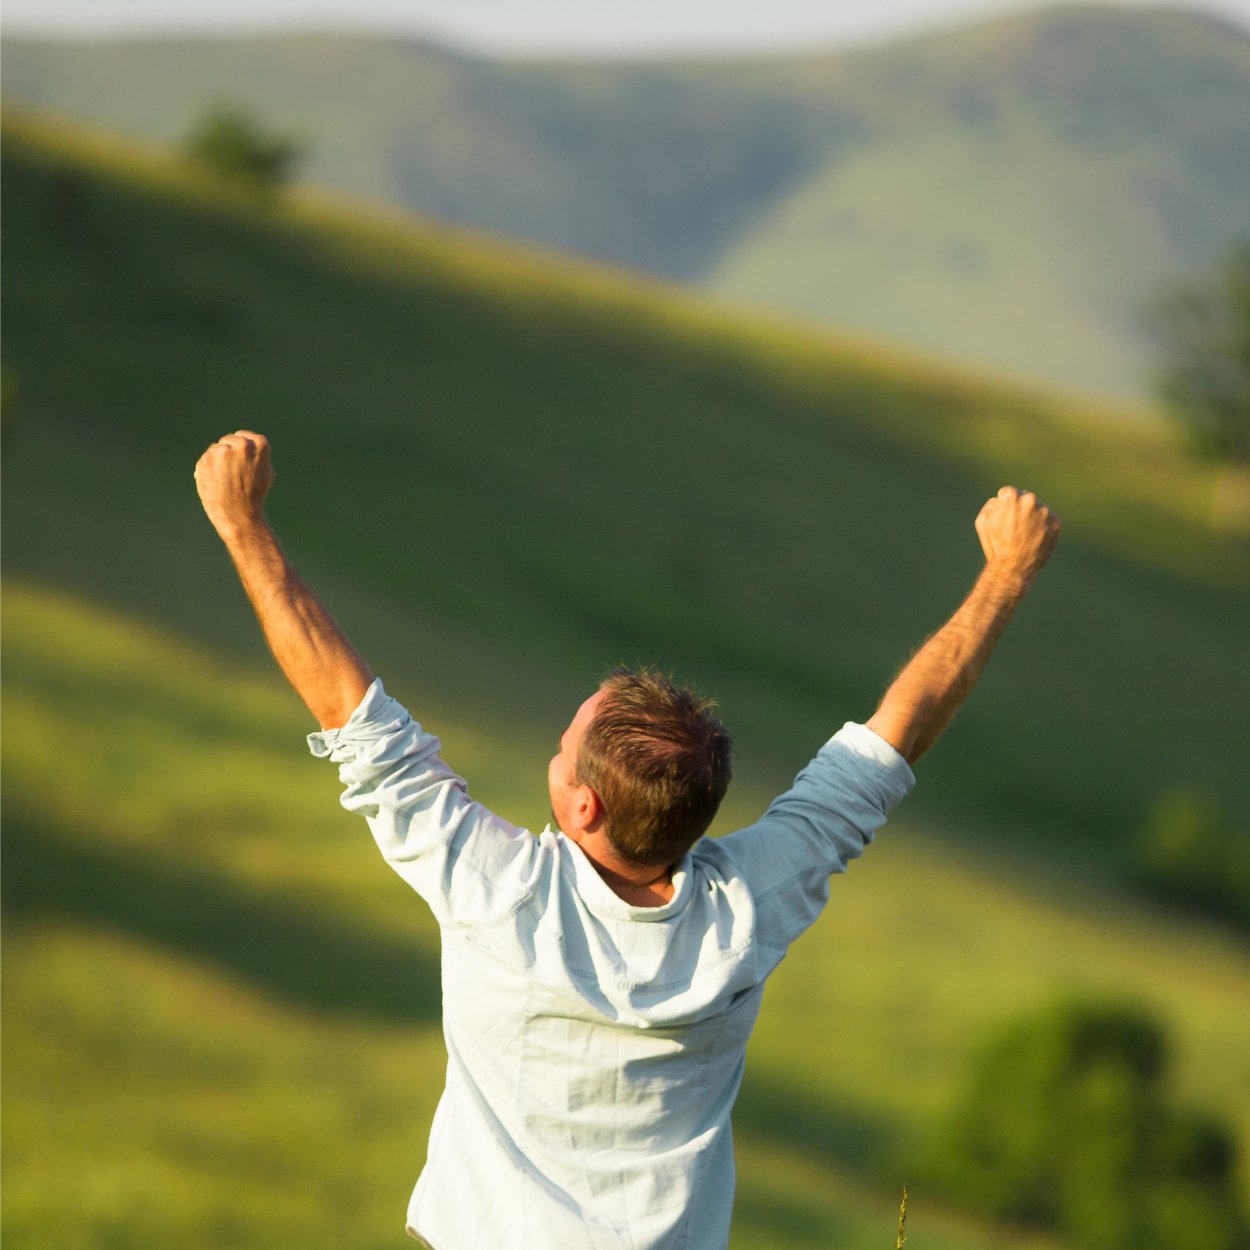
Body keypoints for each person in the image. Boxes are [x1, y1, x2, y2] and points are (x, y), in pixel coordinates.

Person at [194, 430, 1061, 1250]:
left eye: (566, 747)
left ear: (585, 810)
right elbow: (898, 731)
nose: (558, 747)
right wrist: (1007, 577)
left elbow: (349, 711)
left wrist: (241, 523)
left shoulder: (497, 889)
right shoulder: (750, 903)